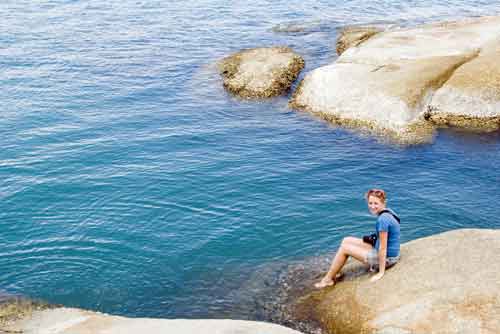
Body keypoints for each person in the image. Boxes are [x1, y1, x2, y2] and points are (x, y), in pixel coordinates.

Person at [314, 189, 400, 288]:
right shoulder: (389, 212)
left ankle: (327, 280)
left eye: (376, 203)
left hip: (388, 259)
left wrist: (381, 273)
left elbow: (383, 247)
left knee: (345, 249)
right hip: (386, 251)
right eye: (370, 203)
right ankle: (336, 271)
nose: (372, 206)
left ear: (383, 202)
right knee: (346, 240)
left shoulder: (383, 220)